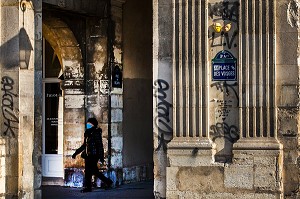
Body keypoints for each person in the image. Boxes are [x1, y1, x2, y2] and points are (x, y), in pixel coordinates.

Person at [72, 117, 113, 192]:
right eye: (87, 123)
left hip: (94, 156)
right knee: (92, 171)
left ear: (93, 125)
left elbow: (99, 145)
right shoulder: (87, 133)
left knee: (90, 171)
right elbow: (84, 145)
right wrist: (76, 153)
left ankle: (89, 187)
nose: (88, 125)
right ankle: (107, 182)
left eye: (89, 124)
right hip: (87, 156)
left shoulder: (96, 133)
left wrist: (101, 157)